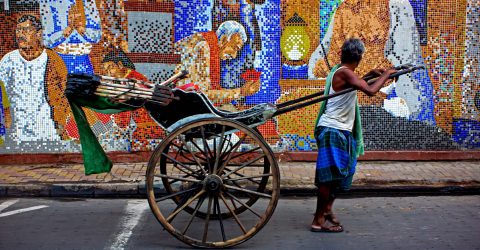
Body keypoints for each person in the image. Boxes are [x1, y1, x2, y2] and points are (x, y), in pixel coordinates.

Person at [311, 38, 396, 232]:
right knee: (328, 178)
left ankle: (327, 210)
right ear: (358, 57)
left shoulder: (343, 73)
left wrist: (370, 74)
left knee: (343, 174)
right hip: (333, 129)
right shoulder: (345, 73)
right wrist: (388, 74)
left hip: (341, 129)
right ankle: (318, 220)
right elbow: (371, 91)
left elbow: (356, 84)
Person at [0, 15, 71, 149]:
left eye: (26, 30)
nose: (20, 35)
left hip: (48, 134)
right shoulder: (8, 61)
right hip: (16, 135)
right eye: (18, 30)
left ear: (38, 34)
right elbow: (1, 94)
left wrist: (62, 126)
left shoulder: (53, 60)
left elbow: (65, 96)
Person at [174, 20, 260, 105]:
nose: (234, 56)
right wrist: (240, 92)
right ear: (223, 40)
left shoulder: (206, 43)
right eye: (235, 48)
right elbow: (203, 96)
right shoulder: (203, 47)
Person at [101, 49, 164, 149]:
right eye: (106, 70)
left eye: (111, 68)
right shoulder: (120, 80)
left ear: (120, 65)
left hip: (145, 125)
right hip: (132, 124)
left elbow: (128, 109)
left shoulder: (135, 79)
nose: (108, 73)